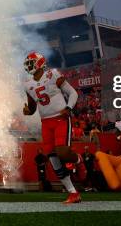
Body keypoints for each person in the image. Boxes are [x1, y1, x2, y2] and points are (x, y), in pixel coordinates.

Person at [22, 51, 81, 204]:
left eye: (31, 63)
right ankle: (73, 193)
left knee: (63, 153)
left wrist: (68, 108)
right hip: (45, 123)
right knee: (53, 159)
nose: (28, 66)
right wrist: (28, 111)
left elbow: (73, 93)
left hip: (60, 118)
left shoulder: (53, 74)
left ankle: (78, 159)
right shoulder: (28, 85)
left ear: (40, 63)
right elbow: (32, 108)